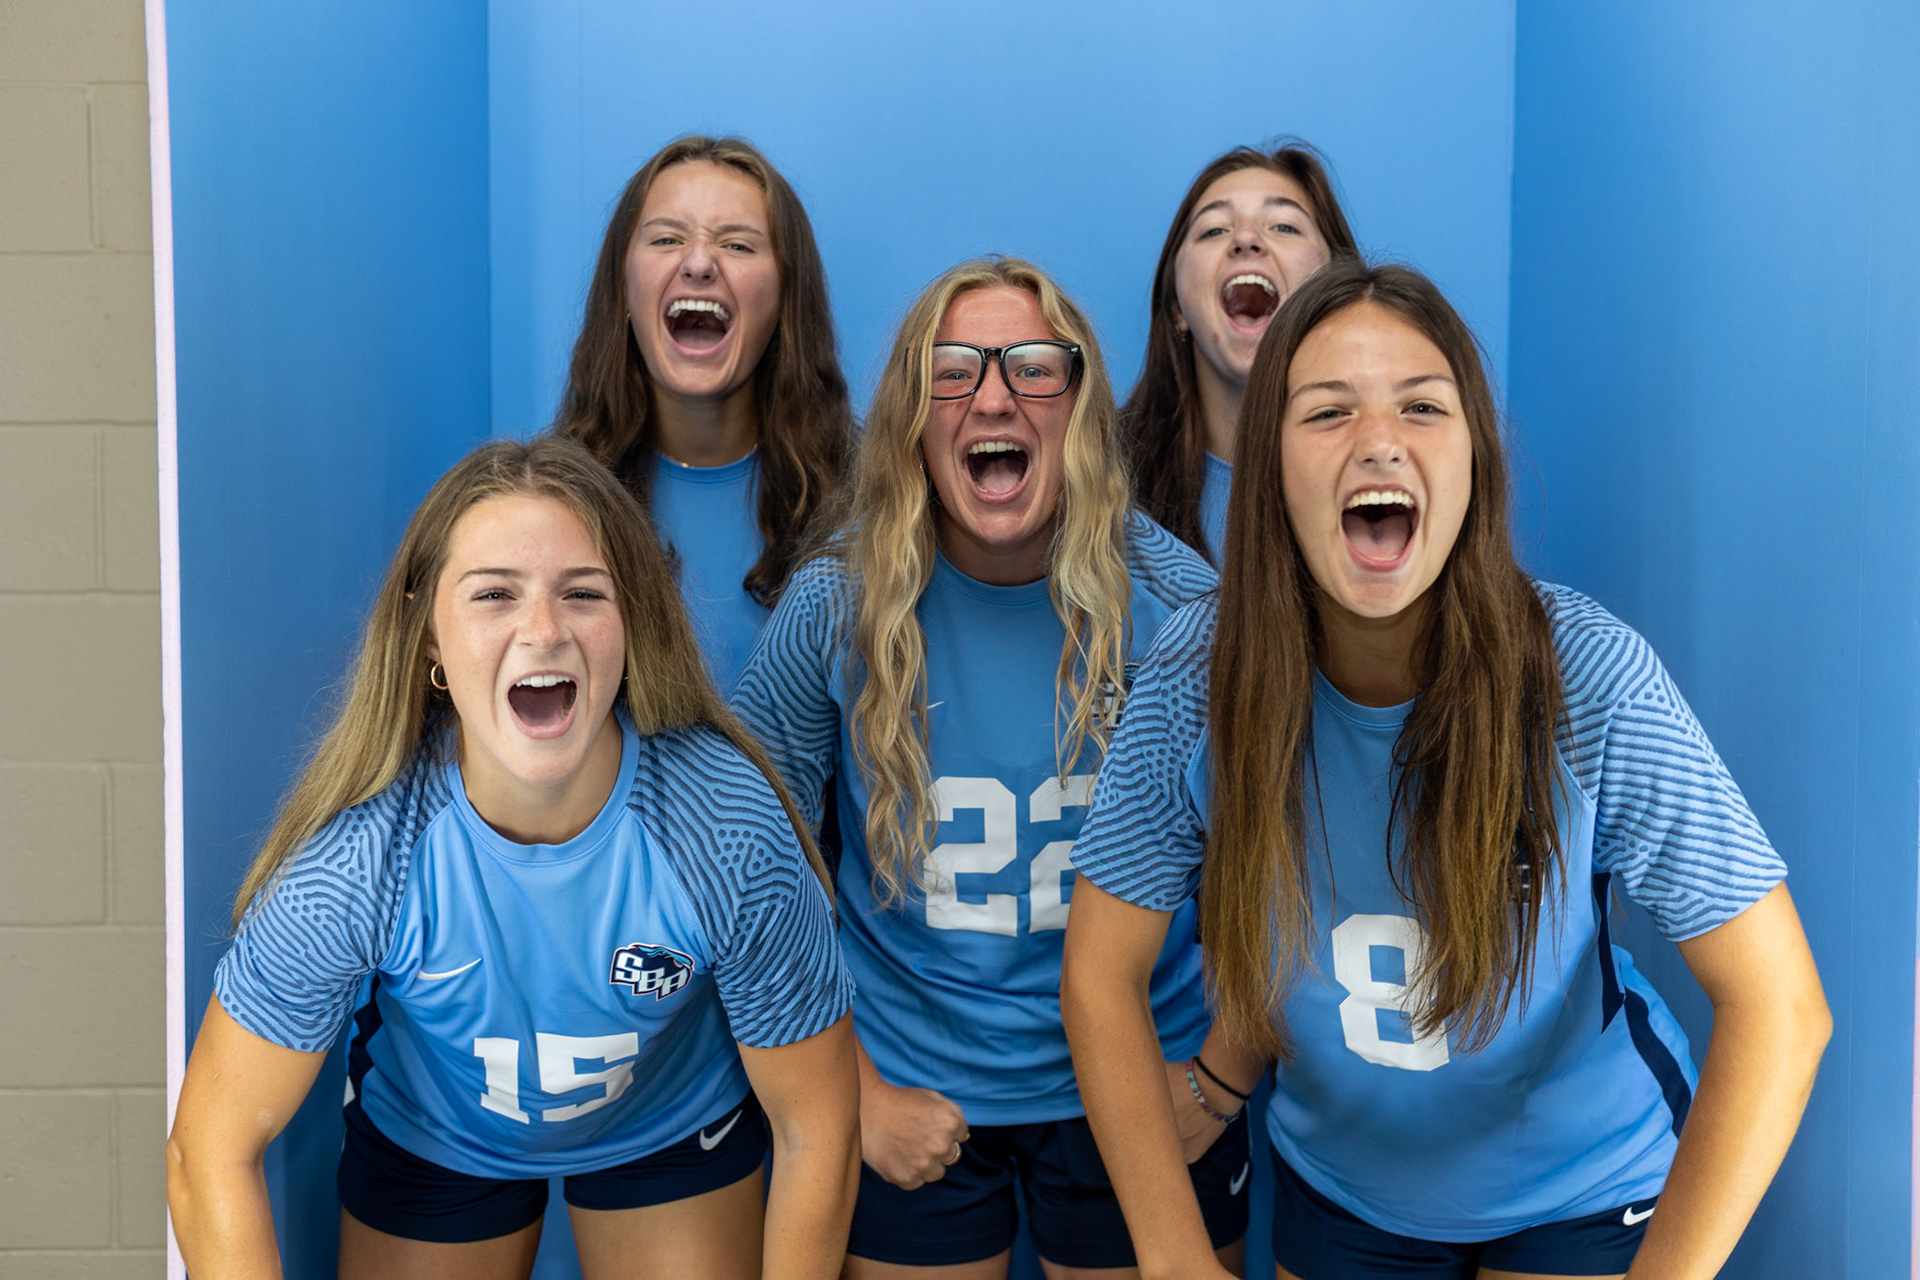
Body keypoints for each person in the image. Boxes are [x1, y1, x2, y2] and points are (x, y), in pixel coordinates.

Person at [1063, 262, 1830, 1280]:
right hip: (1344, 1189)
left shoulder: (1585, 673)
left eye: (1423, 406)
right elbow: (1099, 969)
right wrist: (1170, 1253)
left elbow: (1781, 1006)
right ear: (1269, 468)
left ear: (1476, 461)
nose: (1379, 439)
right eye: (1327, 410)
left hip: (1584, 1185)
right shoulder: (1192, 679)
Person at [166, 436, 860, 1280]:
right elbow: (208, 1149)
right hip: (437, 1131)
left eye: (583, 593)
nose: (543, 629)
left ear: (632, 621)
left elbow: (816, 1127)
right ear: (429, 636)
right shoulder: (357, 860)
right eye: (494, 594)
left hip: (668, 1119)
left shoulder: (725, 827)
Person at [732, 258, 1243, 1279]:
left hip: (1144, 1080)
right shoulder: (833, 605)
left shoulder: (1182, 608)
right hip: (914, 1087)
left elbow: (1288, 855)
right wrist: (857, 1089)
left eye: (1033, 369)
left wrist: (1221, 1078)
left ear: (1085, 410)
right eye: (953, 369)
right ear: (912, 418)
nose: (994, 394)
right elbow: (748, 868)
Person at [556, 135, 854, 692]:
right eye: (667, 239)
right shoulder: (553, 503)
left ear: (786, 296)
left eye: (738, 246)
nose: (698, 263)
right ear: (622, 286)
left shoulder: (867, 501)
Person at [1121, 143, 1358, 566]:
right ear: (1178, 308)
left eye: (1284, 226)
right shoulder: (1103, 483)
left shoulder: (1379, 467)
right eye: (1214, 230)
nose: (1246, 239)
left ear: (1336, 293)